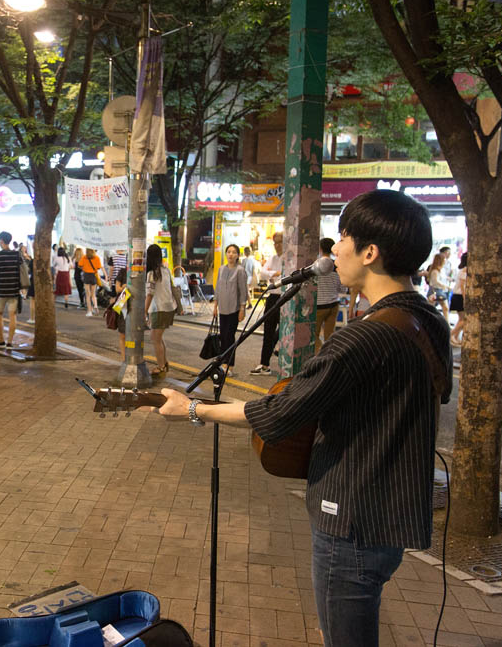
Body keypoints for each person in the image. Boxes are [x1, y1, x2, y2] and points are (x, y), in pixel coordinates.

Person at [156, 189, 452, 647]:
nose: (335, 250)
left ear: (370, 252)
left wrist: (193, 408)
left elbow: (278, 413)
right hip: (391, 518)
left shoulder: (364, 338)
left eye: (345, 238)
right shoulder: (427, 320)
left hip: (350, 520)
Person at [252, 232, 284, 376]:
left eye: (280, 242)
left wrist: (275, 274)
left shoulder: (289, 259)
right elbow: (263, 273)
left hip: (285, 297)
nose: (277, 245)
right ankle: (264, 364)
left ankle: (284, 365)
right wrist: (274, 274)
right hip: (272, 297)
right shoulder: (273, 258)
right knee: (268, 332)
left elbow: (285, 276)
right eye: (275, 242)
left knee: (284, 332)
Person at [213, 243, 248, 371]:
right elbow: (218, 287)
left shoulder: (240, 270)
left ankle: (229, 365)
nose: (231, 254)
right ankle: (222, 362)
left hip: (234, 309)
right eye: (228, 252)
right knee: (223, 336)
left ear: (238, 255)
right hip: (222, 308)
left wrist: (242, 309)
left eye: (234, 252)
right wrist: (215, 306)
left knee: (229, 336)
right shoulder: (221, 269)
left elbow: (243, 291)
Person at [145, 244, 178, 378]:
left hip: (159, 308)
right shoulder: (165, 270)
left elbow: (150, 294)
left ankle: (161, 367)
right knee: (157, 337)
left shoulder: (152, 273)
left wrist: (144, 311)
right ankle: (164, 363)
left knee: (155, 338)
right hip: (169, 307)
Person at [0, 231, 23, 348]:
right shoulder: (17, 255)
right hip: (13, 290)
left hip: (0, 290)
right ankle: (9, 342)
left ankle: (1, 340)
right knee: (12, 316)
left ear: (2, 241)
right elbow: (22, 271)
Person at [314, 238, 343, 352]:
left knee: (314, 334)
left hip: (320, 305)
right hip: (334, 304)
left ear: (320, 248)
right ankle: (329, 355)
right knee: (330, 335)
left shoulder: (317, 265)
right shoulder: (336, 265)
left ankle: (320, 354)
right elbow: (343, 288)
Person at [78, 248, 104, 317]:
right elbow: (98, 267)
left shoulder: (84, 257)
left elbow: (79, 265)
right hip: (93, 276)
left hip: (86, 275)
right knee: (93, 294)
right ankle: (95, 306)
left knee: (87, 294)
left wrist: (84, 268)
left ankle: (89, 311)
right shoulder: (97, 257)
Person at [110, 268, 129, 359]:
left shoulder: (142, 272)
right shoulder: (123, 272)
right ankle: (124, 358)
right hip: (123, 305)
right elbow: (117, 289)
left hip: (136, 307)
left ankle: (133, 357)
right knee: (123, 334)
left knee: (134, 334)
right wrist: (125, 286)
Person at [426, 252, 450, 324]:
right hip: (435, 291)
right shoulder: (435, 271)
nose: (445, 260)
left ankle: (446, 323)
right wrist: (445, 286)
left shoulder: (439, 270)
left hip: (437, 291)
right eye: (444, 259)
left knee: (441, 308)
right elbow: (435, 281)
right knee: (442, 308)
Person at [450, 253, 468, 346]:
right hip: (459, 296)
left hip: (458, 296)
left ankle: (455, 337)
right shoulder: (464, 271)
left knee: (461, 319)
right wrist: (465, 299)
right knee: (464, 319)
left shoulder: (462, 270)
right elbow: (462, 287)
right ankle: (451, 335)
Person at [20, 244, 35, 323]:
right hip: (40, 282)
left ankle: (32, 318)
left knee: (32, 300)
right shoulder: (41, 259)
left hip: (33, 280)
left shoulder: (32, 260)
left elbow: (28, 269)